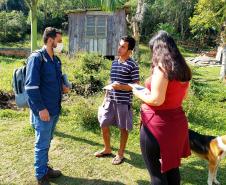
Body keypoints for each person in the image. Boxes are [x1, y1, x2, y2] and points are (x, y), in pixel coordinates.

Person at [133, 30, 192, 185]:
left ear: (158, 50)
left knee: (156, 173)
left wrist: (137, 92)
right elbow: (182, 96)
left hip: (157, 125)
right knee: (172, 168)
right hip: (177, 124)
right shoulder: (183, 68)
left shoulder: (162, 68)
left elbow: (157, 100)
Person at [25, 27, 69, 185]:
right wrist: (41, 109)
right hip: (44, 111)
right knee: (41, 143)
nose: (61, 44)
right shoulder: (37, 58)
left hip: (55, 109)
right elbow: (30, 87)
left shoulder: (56, 60)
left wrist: (64, 86)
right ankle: (40, 175)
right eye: (59, 41)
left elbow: (56, 82)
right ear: (50, 40)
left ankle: (44, 167)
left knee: (47, 141)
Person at [95, 36, 140, 165]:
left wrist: (121, 87)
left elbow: (136, 86)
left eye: (123, 47)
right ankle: (107, 149)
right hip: (110, 100)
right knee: (103, 123)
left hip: (123, 102)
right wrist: (105, 98)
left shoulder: (133, 65)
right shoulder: (114, 62)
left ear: (130, 50)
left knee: (123, 128)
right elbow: (111, 81)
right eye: (119, 45)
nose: (119, 48)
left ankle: (120, 154)